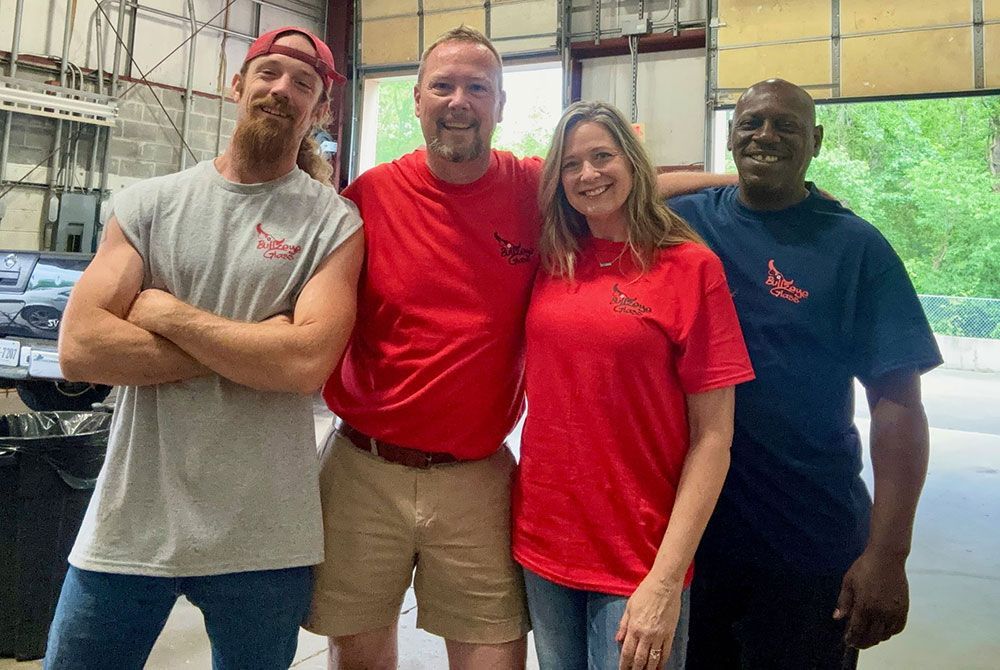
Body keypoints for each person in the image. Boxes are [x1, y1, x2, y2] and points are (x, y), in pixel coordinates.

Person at [46, 27, 363, 670]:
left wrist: (162, 313)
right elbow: (80, 348)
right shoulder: (149, 204)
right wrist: (257, 345)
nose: (283, 91)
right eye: (269, 73)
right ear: (238, 84)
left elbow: (304, 365)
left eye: (304, 84)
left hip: (264, 537)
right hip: (133, 521)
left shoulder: (334, 223)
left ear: (320, 110)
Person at [668, 79, 943, 669]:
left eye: (785, 126)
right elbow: (620, 191)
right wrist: (722, 180)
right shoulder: (688, 226)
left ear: (814, 141)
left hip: (807, 537)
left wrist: (888, 553)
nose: (765, 136)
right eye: (751, 124)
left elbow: (899, 406)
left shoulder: (855, 247)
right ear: (732, 136)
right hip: (694, 538)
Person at [510, 100, 755, 670]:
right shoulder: (553, 257)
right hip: (543, 543)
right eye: (571, 164)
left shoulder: (690, 269)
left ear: (633, 162)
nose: (588, 174)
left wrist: (666, 581)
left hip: (638, 557)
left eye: (603, 156)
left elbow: (713, 440)